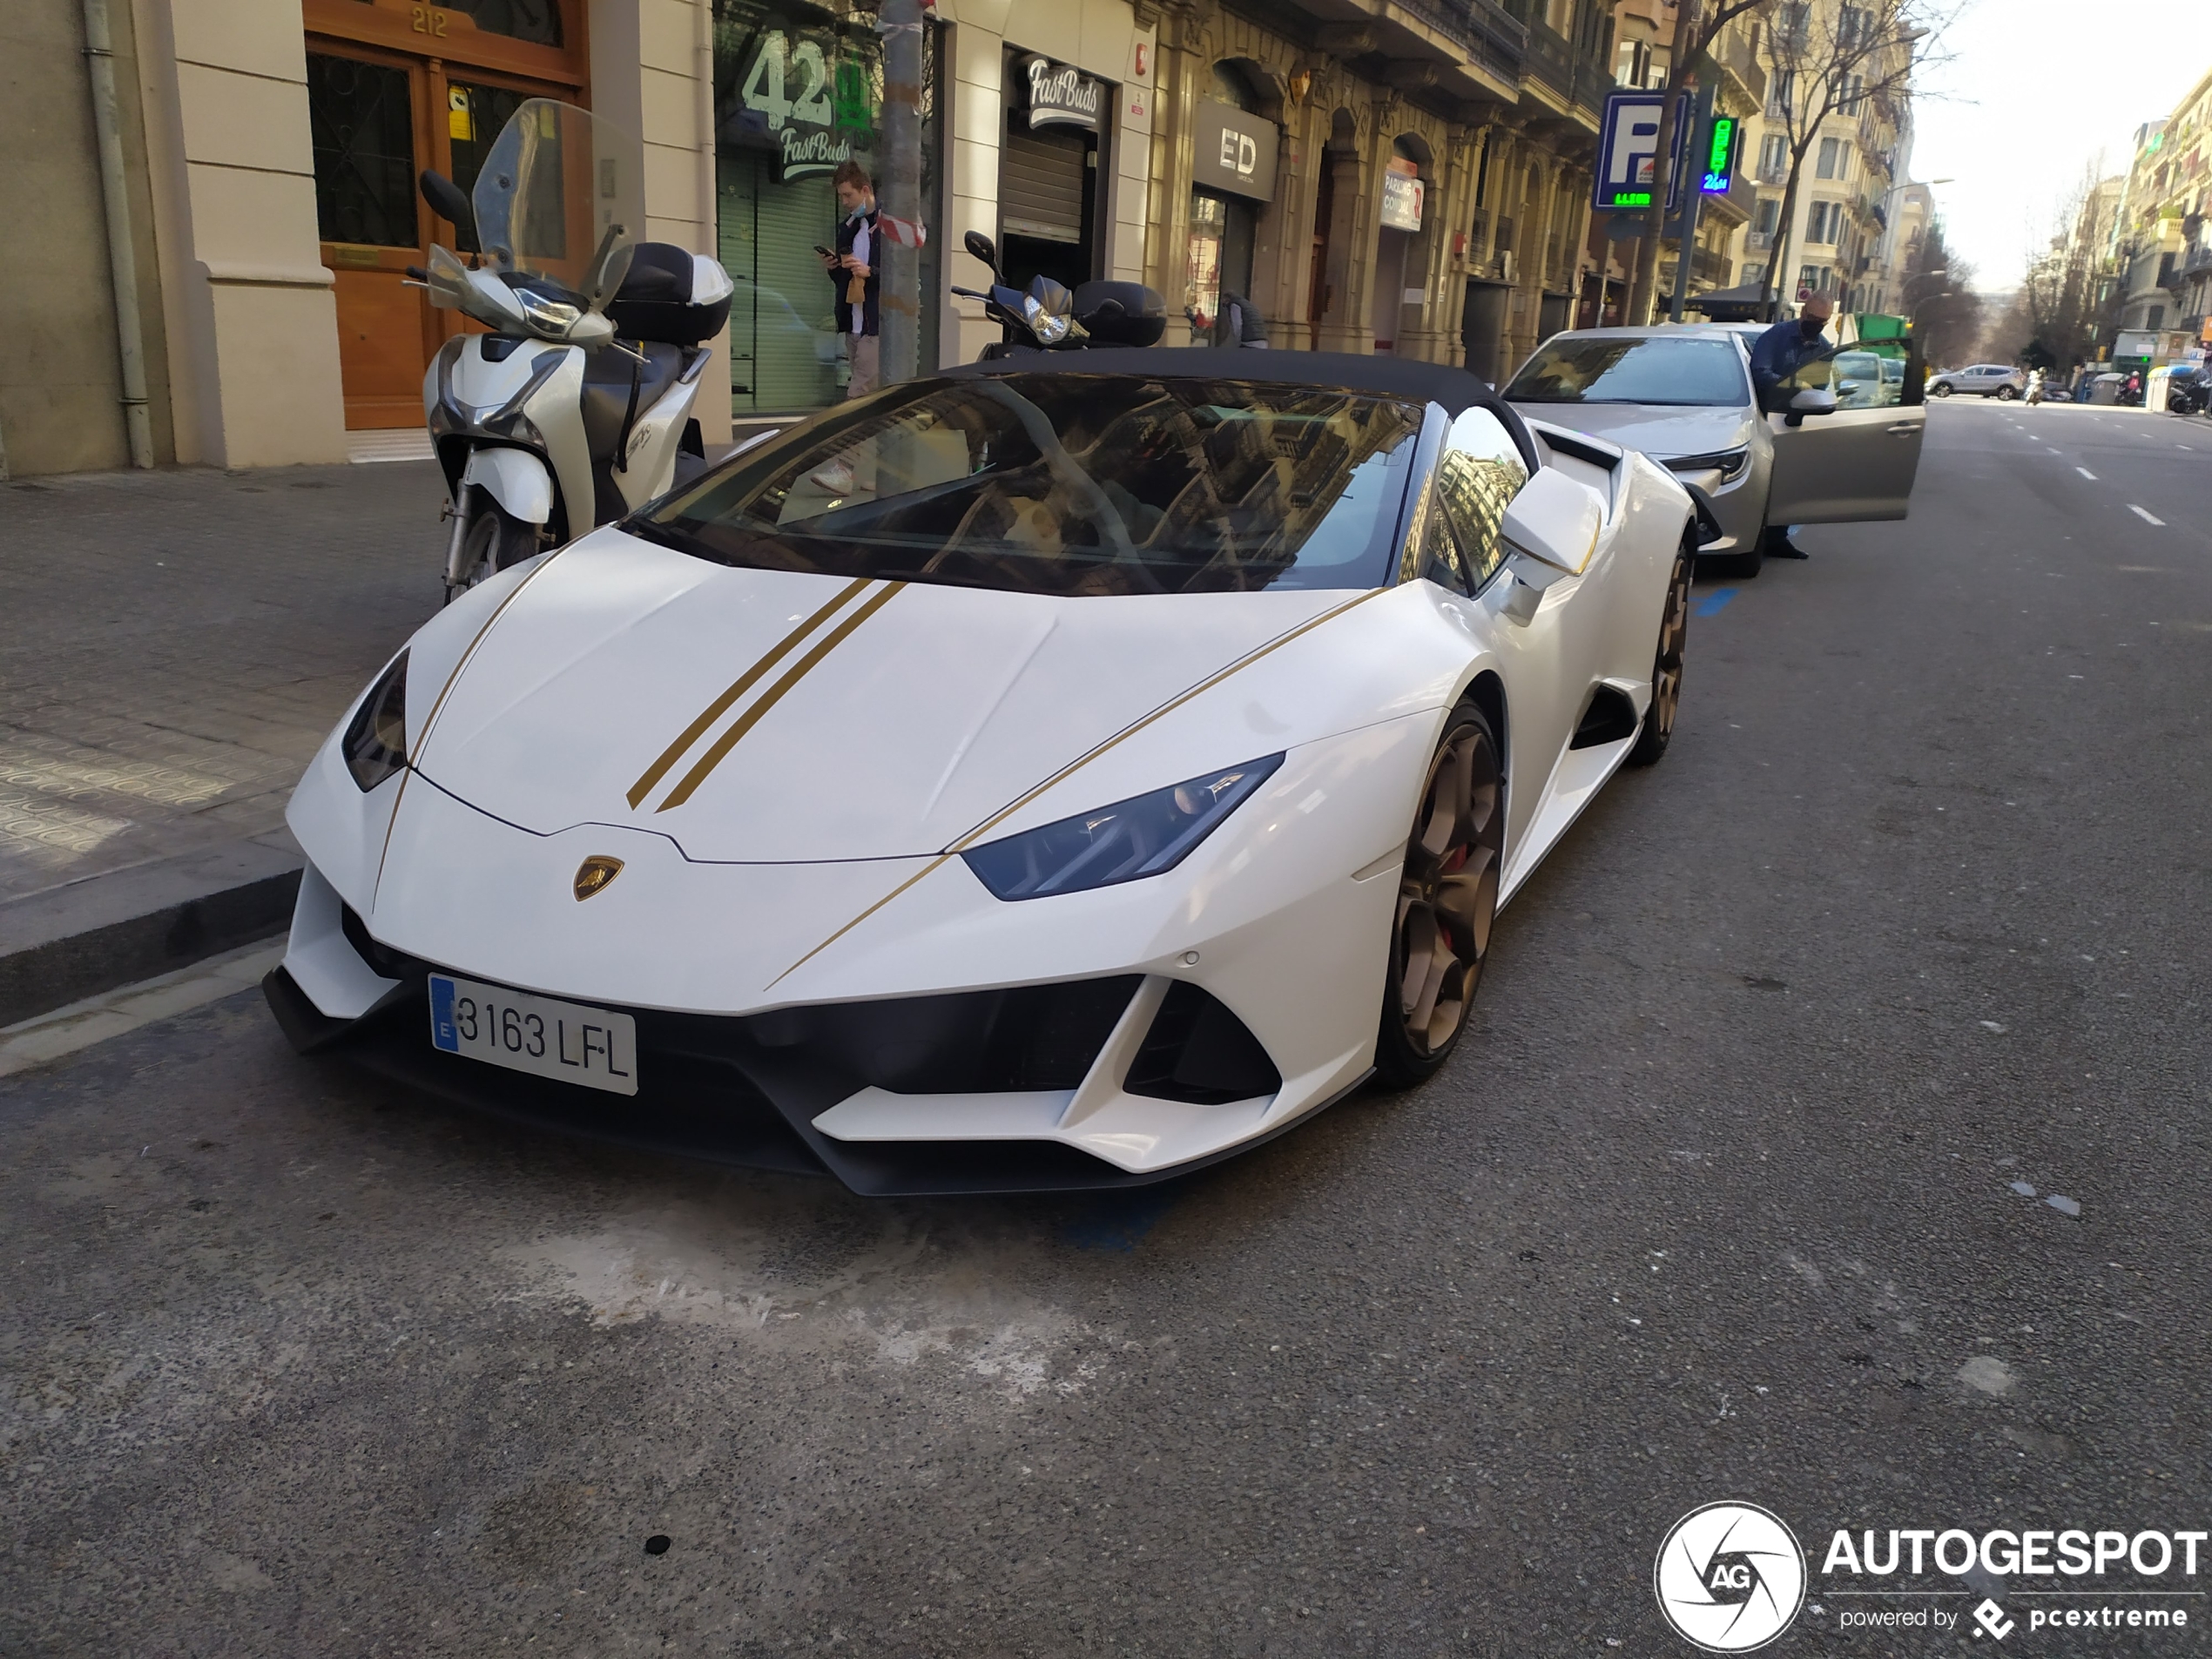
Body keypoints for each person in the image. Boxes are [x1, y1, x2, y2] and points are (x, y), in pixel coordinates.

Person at [1746, 292, 1838, 560]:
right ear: (1802, 312)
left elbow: (1819, 387)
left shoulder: (1824, 348)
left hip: (1795, 419)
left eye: (1823, 320)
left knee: (1788, 482)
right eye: (1812, 318)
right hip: (1762, 417)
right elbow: (1760, 373)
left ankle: (1778, 538)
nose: (1816, 324)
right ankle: (1754, 535)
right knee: (1760, 483)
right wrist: (1795, 384)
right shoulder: (1777, 336)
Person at [820, 159, 880, 400]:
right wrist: (834, 268)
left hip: (875, 325)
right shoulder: (847, 228)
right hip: (852, 324)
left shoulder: (887, 225)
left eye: (848, 195)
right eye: (841, 196)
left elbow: (903, 277)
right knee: (868, 398)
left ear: (865, 190)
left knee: (858, 394)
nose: (844, 202)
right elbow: (843, 281)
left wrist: (870, 272)